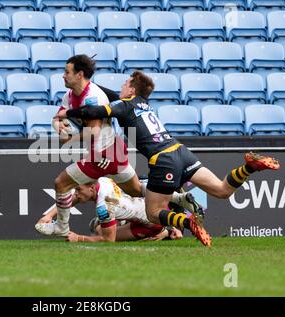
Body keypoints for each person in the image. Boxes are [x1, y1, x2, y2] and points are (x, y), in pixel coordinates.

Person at [58, 71, 281, 247]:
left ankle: (187, 222)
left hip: (163, 159)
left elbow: (93, 112)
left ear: (132, 88)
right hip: (181, 152)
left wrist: (66, 113)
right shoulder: (142, 104)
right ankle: (249, 168)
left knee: (153, 214)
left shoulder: (125, 106)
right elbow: (115, 96)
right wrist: (89, 83)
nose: (122, 86)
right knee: (222, 190)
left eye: (126, 83)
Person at [36, 56, 198, 238]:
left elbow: (94, 132)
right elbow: (59, 116)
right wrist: (58, 126)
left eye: (67, 72)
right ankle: (179, 198)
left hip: (103, 155)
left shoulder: (92, 97)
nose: (63, 76)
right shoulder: (70, 95)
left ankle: (61, 227)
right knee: (135, 189)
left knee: (61, 183)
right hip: (115, 150)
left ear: (79, 74)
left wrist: (70, 138)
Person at [36, 177, 186, 243]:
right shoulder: (102, 180)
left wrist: (79, 238)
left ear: (92, 188)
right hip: (150, 206)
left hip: (153, 222)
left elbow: (108, 240)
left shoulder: (104, 206)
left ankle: (164, 232)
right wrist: (49, 215)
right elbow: (74, 198)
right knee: (98, 225)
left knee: (101, 231)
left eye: (78, 189)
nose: (75, 193)